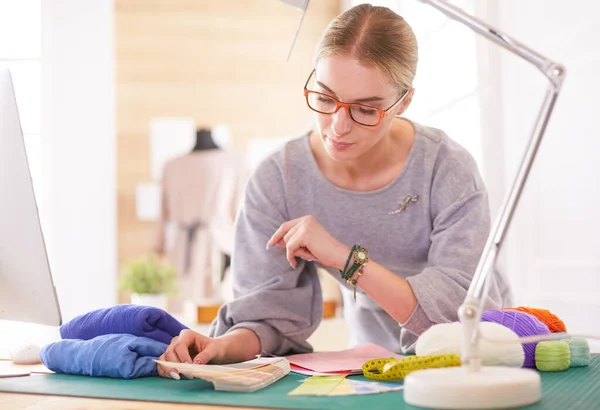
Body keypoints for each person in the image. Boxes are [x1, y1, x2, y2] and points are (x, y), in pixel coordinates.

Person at [157, 4, 506, 378]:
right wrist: (221, 347)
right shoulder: (277, 180)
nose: (338, 127)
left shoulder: (446, 168)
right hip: (373, 364)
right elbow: (267, 315)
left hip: (477, 359)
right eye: (325, 99)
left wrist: (346, 259)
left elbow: (460, 313)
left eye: (366, 110)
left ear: (403, 101)